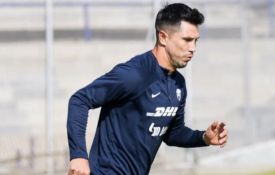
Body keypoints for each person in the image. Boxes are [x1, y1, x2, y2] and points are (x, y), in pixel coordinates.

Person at [67, 3, 228, 175]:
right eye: (187, 40)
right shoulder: (134, 74)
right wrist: (78, 155)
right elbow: (80, 100)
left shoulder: (178, 84)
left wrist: (204, 138)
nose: (193, 48)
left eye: (196, 41)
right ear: (163, 37)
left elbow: (172, 133)